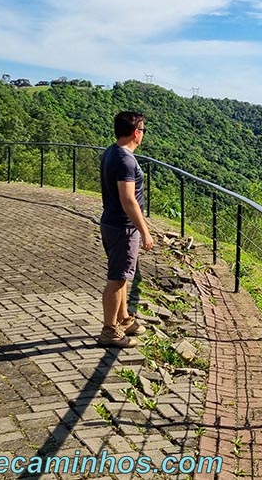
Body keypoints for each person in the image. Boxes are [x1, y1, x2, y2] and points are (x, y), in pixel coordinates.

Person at [97, 111, 155, 348]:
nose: (143, 134)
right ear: (136, 132)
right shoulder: (126, 160)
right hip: (123, 227)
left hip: (112, 222)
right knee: (117, 278)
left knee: (123, 276)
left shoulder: (111, 152)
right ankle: (110, 330)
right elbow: (128, 199)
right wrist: (144, 231)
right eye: (143, 130)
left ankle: (124, 319)